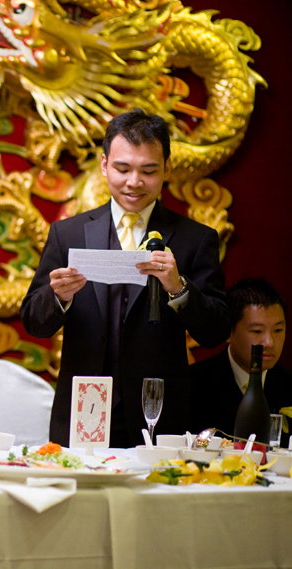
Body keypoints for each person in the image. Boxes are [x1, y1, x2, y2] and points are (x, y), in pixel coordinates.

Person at [21, 109, 229, 447]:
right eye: (122, 169)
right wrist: (57, 296)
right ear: (104, 165)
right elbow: (33, 321)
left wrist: (179, 288)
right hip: (84, 408)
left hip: (157, 413)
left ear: (166, 168)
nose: (134, 182)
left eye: (148, 170)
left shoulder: (195, 238)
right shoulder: (68, 233)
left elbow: (215, 332)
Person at [191, 278, 291, 447]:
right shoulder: (194, 383)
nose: (269, 342)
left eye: (278, 330)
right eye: (257, 331)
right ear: (228, 332)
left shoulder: (288, 384)